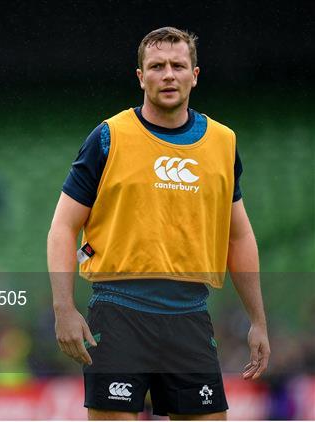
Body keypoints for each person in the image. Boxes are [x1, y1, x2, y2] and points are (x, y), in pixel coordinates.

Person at [47, 27, 270, 420]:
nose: (168, 74)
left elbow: (239, 235)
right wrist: (63, 308)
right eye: (157, 66)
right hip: (117, 312)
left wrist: (258, 321)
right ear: (140, 77)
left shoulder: (223, 143)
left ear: (195, 75)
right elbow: (63, 227)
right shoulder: (107, 137)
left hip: (190, 315)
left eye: (178, 65)